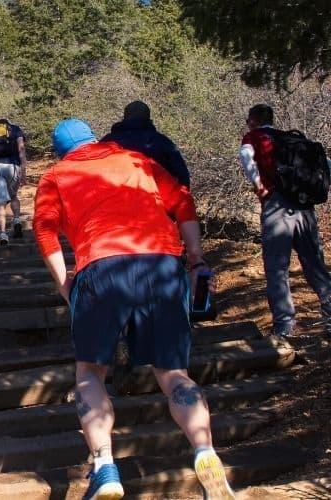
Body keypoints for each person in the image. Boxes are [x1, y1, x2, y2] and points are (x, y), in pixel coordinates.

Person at [34, 118, 234, 500]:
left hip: (101, 267)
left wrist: (66, 285)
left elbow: (45, 230)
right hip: (161, 263)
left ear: (61, 150)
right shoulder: (137, 160)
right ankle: (205, 452)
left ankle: (105, 467)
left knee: (90, 373)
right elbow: (183, 202)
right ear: (96, 139)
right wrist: (196, 260)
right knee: (174, 373)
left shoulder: (56, 175)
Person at [239, 103, 331, 338]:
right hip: (304, 206)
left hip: (277, 206)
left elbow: (246, 157)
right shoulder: (290, 140)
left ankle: (284, 326)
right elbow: (326, 164)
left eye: (248, 119)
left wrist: (258, 184)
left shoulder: (254, 137)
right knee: (314, 263)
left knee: (277, 268)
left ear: (254, 120)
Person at [101, 100, 191, 188]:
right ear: (149, 119)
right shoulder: (162, 142)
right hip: (153, 198)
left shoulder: (107, 141)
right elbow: (182, 177)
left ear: (124, 118)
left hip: (114, 197)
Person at [0, 118, 28, 245]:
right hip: (13, 166)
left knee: (0, 202)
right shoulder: (15, 129)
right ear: (8, 124)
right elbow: (21, 149)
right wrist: (23, 170)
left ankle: (2, 234)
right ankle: (17, 220)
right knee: (13, 196)